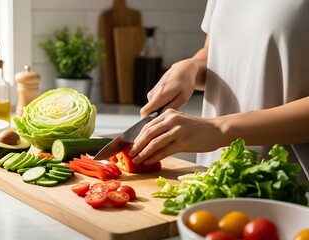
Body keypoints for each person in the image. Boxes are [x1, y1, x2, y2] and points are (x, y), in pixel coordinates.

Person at [128, 0, 309, 181]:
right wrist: (192, 67)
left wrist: (219, 128)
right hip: (217, 176)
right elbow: (215, 52)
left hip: (292, 188)